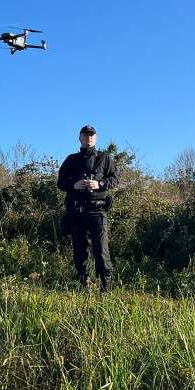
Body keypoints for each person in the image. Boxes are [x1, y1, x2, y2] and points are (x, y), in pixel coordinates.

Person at [57, 125, 119, 292]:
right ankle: (84, 285)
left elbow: (115, 179)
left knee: (101, 249)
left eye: (91, 135)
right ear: (80, 138)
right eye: (85, 135)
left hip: (98, 210)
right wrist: (74, 185)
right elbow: (60, 182)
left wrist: (100, 183)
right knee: (79, 250)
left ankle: (105, 287)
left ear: (96, 138)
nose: (88, 138)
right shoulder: (71, 159)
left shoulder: (105, 158)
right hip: (76, 211)